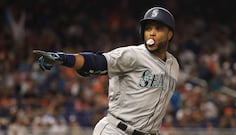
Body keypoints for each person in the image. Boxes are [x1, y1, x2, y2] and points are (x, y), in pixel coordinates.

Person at [33, 7, 179, 135]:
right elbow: (97, 62)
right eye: (148, 28)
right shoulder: (133, 55)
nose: (151, 33)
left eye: (158, 29)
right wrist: (63, 58)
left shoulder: (174, 65)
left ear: (169, 35)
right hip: (117, 130)